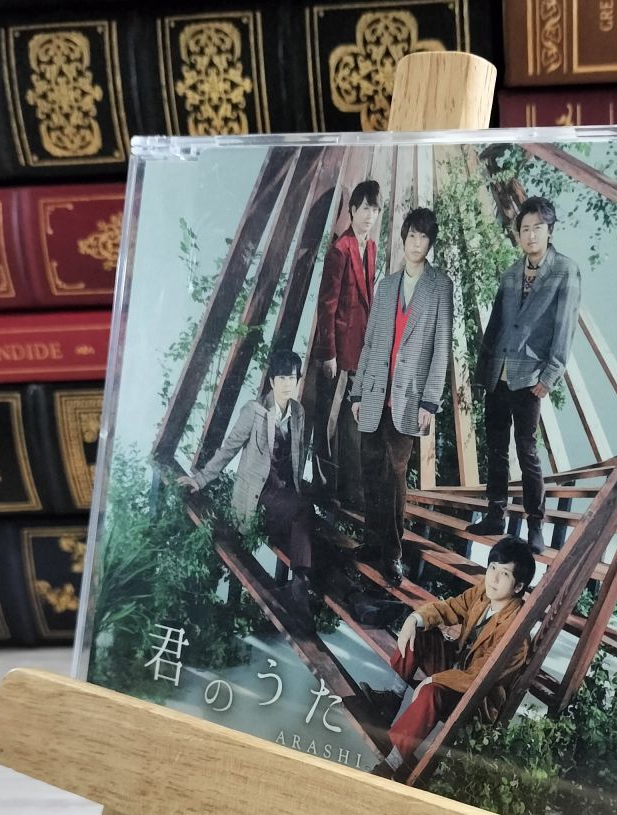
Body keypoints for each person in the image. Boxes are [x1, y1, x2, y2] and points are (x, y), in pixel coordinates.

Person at [468, 196, 581, 555]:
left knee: (527, 450)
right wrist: (482, 373)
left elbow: (565, 328)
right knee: (496, 447)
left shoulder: (565, 271)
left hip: (530, 377)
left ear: (550, 231)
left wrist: (550, 375)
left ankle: (535, 525)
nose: (531, 235)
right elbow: (495, 326)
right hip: (498, 373)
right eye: (525, 229)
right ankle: (495, 515)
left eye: (537, 228)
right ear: (518, 234)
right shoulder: (510, 273)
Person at [372, 536, 537, 777]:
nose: (493, 578)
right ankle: (392, 699)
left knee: (431, 692)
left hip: (475, 697)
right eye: (492, 568)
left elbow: (479, 677)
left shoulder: (516, 635)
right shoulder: (484, 593)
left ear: (518, 587)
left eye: (504, 574)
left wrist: (432, 679)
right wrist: (414, 619)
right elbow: (449, 608)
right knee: (420, 633)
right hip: (457, 665)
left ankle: (391, 764)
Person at [351, 206, 454, 587]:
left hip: (408, 399)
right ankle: (370, 542)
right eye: (412, 236)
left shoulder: (440, 286)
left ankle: (392, 554)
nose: (416, 243)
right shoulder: (386, 286)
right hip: (374, 395)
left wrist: (430, 401)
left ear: (430, 243)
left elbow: (441, 348)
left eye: (423, 238)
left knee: (395, 477)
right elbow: (369, 344)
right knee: (370, 472)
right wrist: (357, 392)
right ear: (403, 238)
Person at [177, 348, 318, 614]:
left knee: (312, 527)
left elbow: (297, 459)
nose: (288, 384)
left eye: (292, 378)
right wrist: (200, 479)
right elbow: (228, 448)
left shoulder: (298, 413)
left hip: (284, 499)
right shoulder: (254, 411)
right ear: (272, 381)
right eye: (282, 378)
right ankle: (299, 589)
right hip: (259, 497)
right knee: (304, 510)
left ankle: (343, 598)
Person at [312, 180, 382, 507]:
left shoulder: (371, 248)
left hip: (359, 351)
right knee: (327, 419)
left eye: (375, 210)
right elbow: (326, 306)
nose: (369, 216)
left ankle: (350, 491)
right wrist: (328, 353)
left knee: (351, 420)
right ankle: (324, 489)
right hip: (337, 351)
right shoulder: (340, 250)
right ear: (352, 210)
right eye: (364, 208)